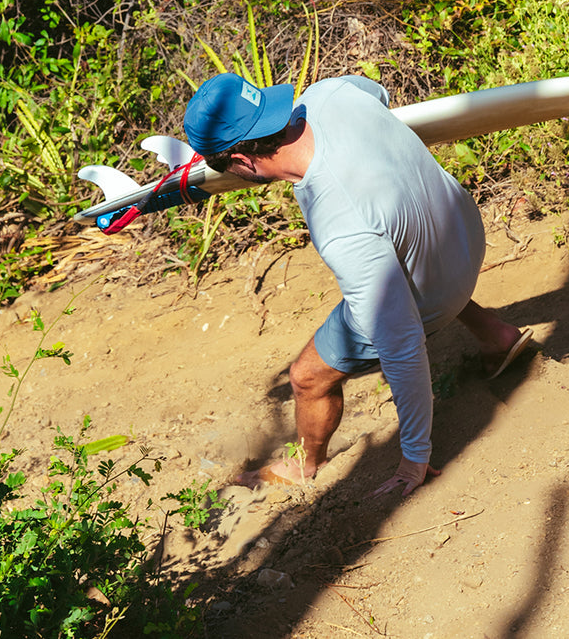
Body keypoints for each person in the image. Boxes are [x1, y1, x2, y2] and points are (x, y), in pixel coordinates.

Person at [183, 72, 533, 497]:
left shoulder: (341, 223)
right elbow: (379, 94)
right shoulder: (330, 94)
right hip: (463, 233)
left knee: (307, 377)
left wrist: (414, 457)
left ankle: (304, 464)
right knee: (394, 253)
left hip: (438, 289)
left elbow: (401, 344)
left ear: (242, 161)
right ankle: (496, 334)